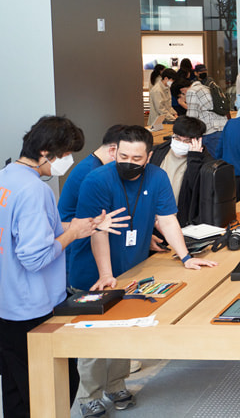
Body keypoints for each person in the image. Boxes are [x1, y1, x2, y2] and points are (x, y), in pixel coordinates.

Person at [72, 125, 217, 418]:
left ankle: (115, 385)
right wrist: (105, 274)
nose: (128, 162)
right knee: (94, 338)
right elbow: (97, 232)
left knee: (122, 329)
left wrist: (186, 256)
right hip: (93, 271)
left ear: (148, 156)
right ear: (115, 152)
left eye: (136, 158)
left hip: (129, 268)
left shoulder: (157, 177)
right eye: (122, 155)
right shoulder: (96, 180)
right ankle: (89, 396)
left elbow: (167, 220)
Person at [0, 116, 127, 418]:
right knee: (52, 389)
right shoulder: (35, 191)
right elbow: (35, 256)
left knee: (17, 390)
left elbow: (32, 231)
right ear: (46, 152)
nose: (68, 161)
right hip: (33, 306)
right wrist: (71, 235)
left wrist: (80, 225)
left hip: (7, 303)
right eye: (66, 153)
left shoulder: (7, 178)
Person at [58, 125, 126, 279]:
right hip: (77, 246)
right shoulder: (93, 175)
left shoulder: (94, 166)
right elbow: (99, 221)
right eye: (125, 155)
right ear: (112, 150)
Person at [149, 116, 212, 227]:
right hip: (152, 219)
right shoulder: (158, 152)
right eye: (177, 138)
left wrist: (194, 158)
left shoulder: (205, 161)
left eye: (187, 140)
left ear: (198, 140)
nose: (181, 143)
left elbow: (198, 190)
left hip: (180, 221)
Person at [185, 65, 227, 155]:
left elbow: (192, 117)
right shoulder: (208, 87)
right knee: (222, 162)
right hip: (222, 128)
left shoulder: (192, 91)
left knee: (213, 164)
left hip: (210, 131)